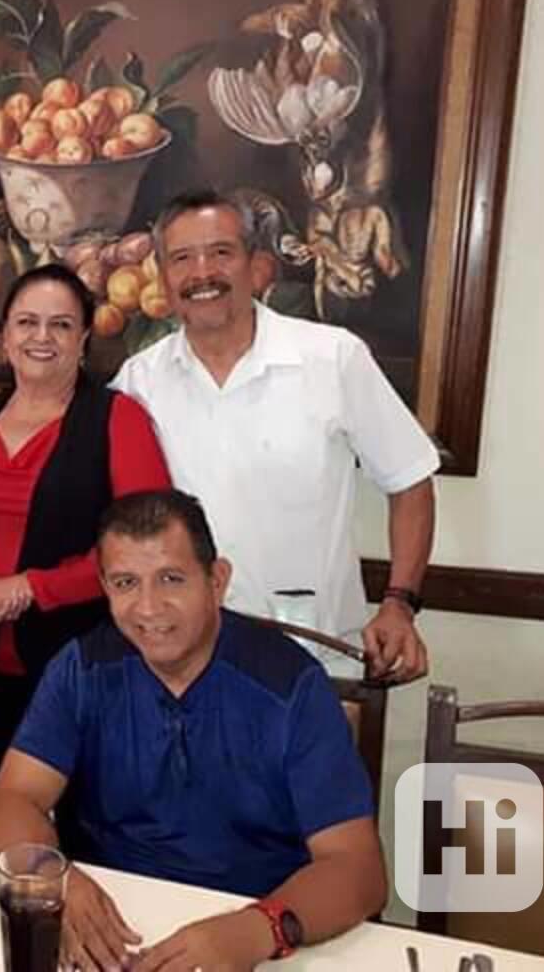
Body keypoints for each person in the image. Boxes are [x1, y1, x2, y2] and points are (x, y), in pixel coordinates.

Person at [0, 489, 385, 971]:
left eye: (171, 579)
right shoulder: (82, 669)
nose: (148, 608)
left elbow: (358, 868)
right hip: (114, 927)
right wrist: (56, 880)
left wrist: (257, 930)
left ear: (217, 580)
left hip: (258, 928)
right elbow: (12, 800)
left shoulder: (291, 685)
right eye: (126, 583)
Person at [111, 188, 438, 680]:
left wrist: (399, 603)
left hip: (313, 657)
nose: (203, 272)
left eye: (221, 252)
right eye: (182, 258)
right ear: (164, 275)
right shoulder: (138, 382)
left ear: (256, 265)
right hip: (180, 666)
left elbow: (410, 480)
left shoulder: (333, 358)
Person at [0, 264, 171, 825]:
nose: (42, 337)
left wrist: (32, 588)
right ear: (5, 336)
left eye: (61, 324)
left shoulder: (118, 419)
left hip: (90, 671)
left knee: (93, 833)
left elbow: (146, 547)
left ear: (83, 339)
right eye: (27, 322)